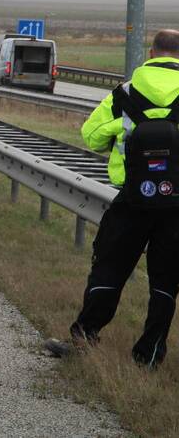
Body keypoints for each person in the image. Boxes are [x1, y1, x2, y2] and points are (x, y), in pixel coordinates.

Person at [47, 29, 179, 367]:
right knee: (166, 281)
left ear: (151, 54)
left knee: (109, 269)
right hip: (176, 205)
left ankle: (84, 337)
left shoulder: (124, 93)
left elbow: (91, 136)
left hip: (131, 202)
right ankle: (148, 356)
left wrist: (121, 130)